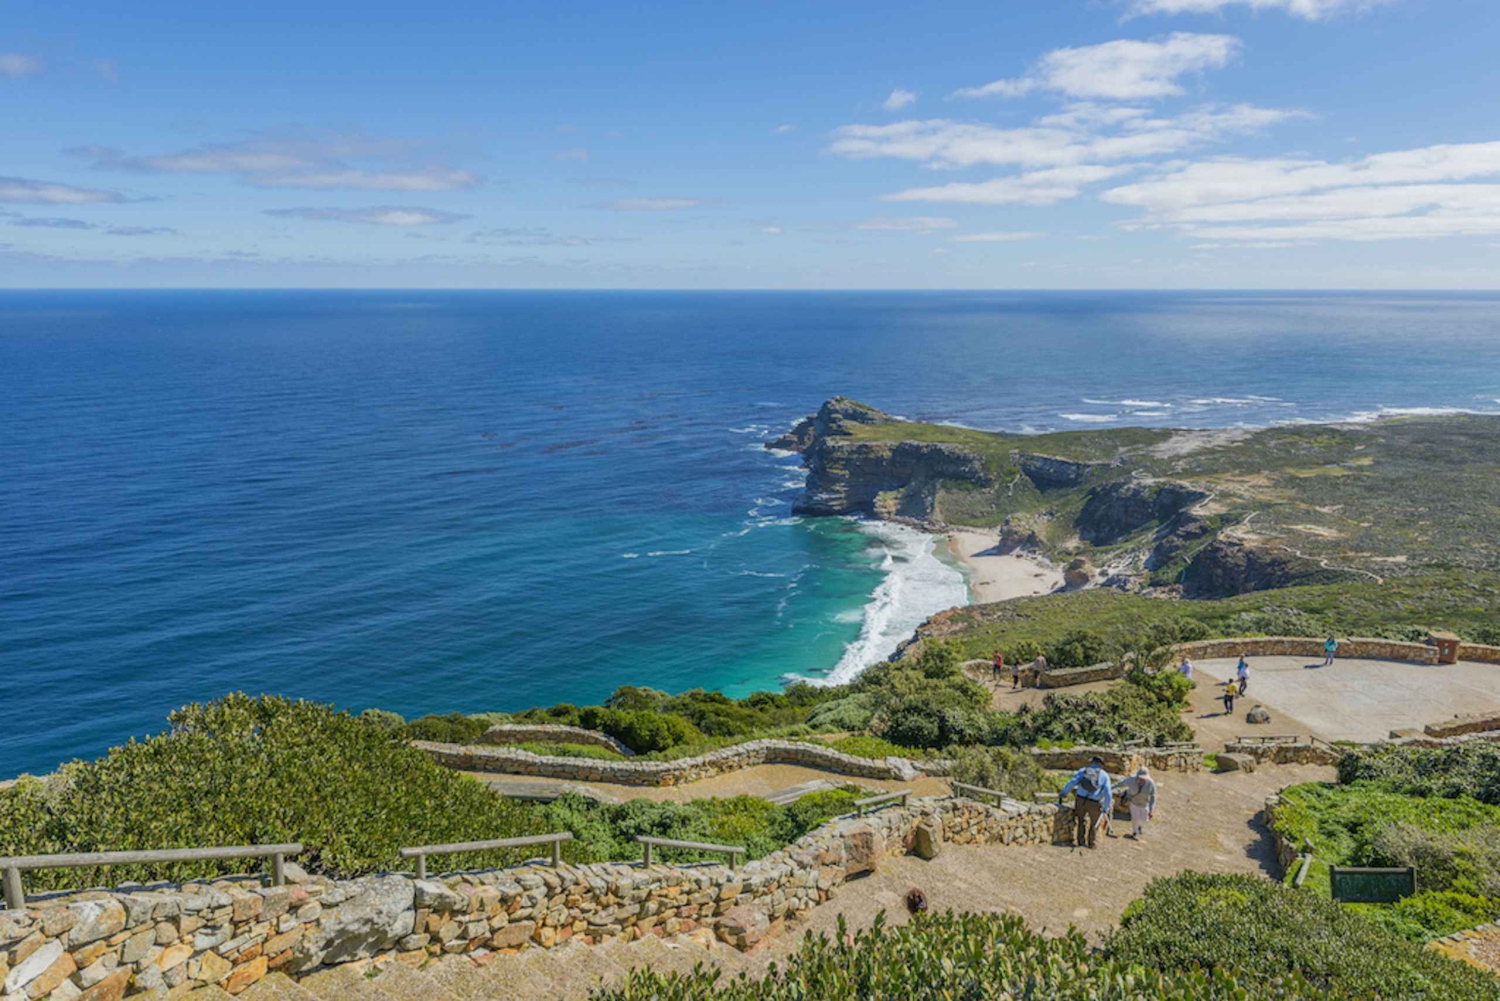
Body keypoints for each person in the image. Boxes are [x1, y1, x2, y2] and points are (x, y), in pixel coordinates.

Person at [1061, 755, 1113, 849]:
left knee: (1081, 820)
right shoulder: (1104, 775)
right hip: (1094, 802)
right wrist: (1106, 807)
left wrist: (1064, 793)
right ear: (1101, 764)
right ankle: (1091, 843)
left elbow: (1073, 781)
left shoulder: (1084, 770)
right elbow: (1108, 792)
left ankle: (1080, 841)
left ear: (1092, 762)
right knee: (1094, 823)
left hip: (1080, 799)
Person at [1112, 767, 1158, 841]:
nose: (1141, 779)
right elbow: (1121, 783)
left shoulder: (1151, 783)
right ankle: (1135, 833)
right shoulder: (1131, 779)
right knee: (1135, 819)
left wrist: (1151, 809)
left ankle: (1139, 826)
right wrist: (1110, 787)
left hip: (1144, 804)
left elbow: (1153, 796)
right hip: (1134, 803)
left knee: (1144, 819)